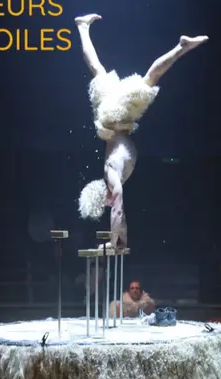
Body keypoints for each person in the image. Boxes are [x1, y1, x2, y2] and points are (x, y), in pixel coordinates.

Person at [73, 13, 208, 250]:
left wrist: (114, 241)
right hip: (117, 117)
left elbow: (118, 206)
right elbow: (118, 208)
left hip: (116, 116)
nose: (109, 205)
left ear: (103, 199)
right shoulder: (114, 177)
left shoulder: (111, 174)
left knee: (147, 80)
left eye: (105, 204)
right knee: (99, 70)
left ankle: (181, 47)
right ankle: (82, 27)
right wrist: (118, 240)